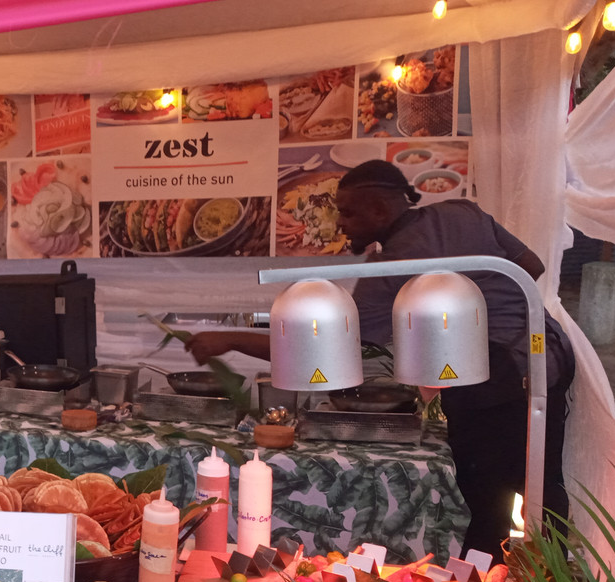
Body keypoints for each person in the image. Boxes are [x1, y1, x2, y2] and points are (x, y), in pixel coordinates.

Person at [187, 160, 574, 559]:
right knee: (542, 486)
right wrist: (480, 300)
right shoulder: (462, 212)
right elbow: (531, 267)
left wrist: (229, 339)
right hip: (548, 355)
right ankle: (551, 581)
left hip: (496, 376)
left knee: (487, 502)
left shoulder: (391, 268)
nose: (340, 224)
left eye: (348, 212)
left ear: (380, 209)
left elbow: (325, 346)